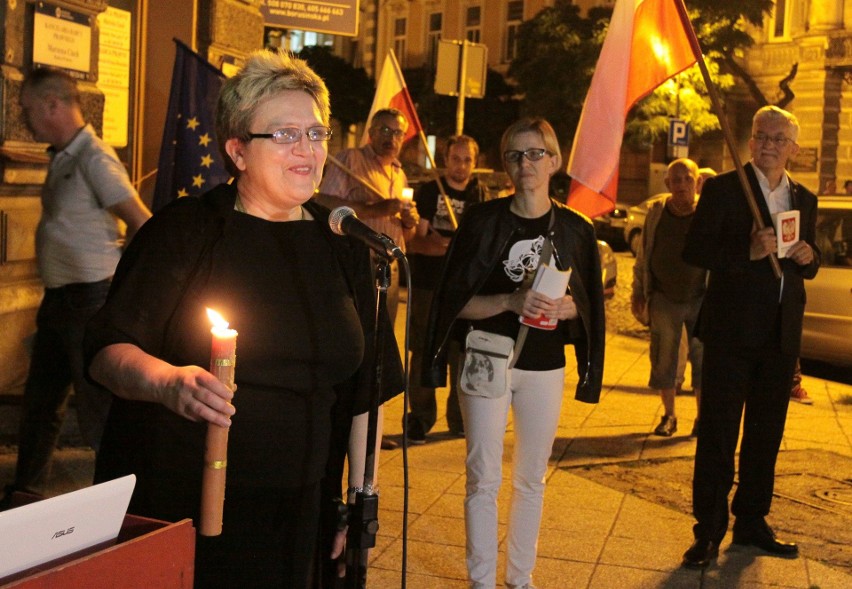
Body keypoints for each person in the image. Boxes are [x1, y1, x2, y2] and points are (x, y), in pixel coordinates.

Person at [83, 51, 403, 588]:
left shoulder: (342, 243)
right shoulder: (185, 232)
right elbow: (107, 352)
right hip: (189, 503)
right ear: (237, 151)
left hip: (304, 509)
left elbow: (364, 390)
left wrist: (357, 501)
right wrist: (168, 383)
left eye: (316, 133)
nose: (307, 149)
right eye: (284, 135)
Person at [423, 118, 605, 589]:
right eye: (515, 155)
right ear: (505, 165)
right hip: (487, 360)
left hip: (545, 366)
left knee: (531, 479)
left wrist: (571, 309)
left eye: (535, 153)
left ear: (554, 160)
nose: (526, 164)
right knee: (482, 477)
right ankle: (482, 582)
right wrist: (508, 301)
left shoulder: (575, 229)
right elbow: (452, 302)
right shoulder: (483, 222)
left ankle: (520, 580)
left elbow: (590, 306)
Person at [681, 106, 820, 568]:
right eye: (761, 136)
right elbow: (695, 249)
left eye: (779, 139)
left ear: (793, 149)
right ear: (751, 140)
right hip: (730, 333)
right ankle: (709, 530)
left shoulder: (804, 196)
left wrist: (807, 254)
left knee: (766, 434)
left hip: (780, 335)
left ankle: (752, 521)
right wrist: (746, 250)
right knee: (719, 434)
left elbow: (812, 263)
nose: (767, 145)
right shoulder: (724, 189)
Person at [5, 68, 151, 499]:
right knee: (41, 402)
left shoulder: (94, 157)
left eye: (28, 108)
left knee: (97, 407)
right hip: (60, 300)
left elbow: (141, 222)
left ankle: (121, 498)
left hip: (88, 302)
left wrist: (122, 287)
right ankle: (25, 493)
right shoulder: (65, 154)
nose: (25, 118)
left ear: (53, 104)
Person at [405, 135, 486, 443]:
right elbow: (418, 242)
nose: (461, 166)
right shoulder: (429, 192)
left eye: (467, 160)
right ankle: (420, 418)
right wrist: (446, 250)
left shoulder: (481, 197)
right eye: (455, 159)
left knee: (463, 353)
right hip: (429, 287)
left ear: (474, 164)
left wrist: (450, 249)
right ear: (446, 160)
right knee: (425, 352)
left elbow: (482, 248)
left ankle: (460, 417)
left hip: (465, 292)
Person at [317, 107, 420, 325]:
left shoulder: (399, 174)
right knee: (356, 334)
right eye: (384, 130)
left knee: (384, 339)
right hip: (357, 266)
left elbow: (405, 236)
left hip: (389, 269)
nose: (391, 137)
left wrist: (409, 223)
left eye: (397, 133)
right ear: (371, 132)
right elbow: (324, 204)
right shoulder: (350, 159)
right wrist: (375, 209)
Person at [631, 158, 706, 437]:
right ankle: (669, 416)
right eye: (676, 180)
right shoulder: (657, 213)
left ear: (698, 182)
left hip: (701, 299)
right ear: (667, 184)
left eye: (688, 179)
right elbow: (643, 255)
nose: (682, 185)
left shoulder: (707, 213)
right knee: (664, 358)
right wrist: (638, 290)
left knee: (703, 361)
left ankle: (702, 419)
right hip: (664, 297)